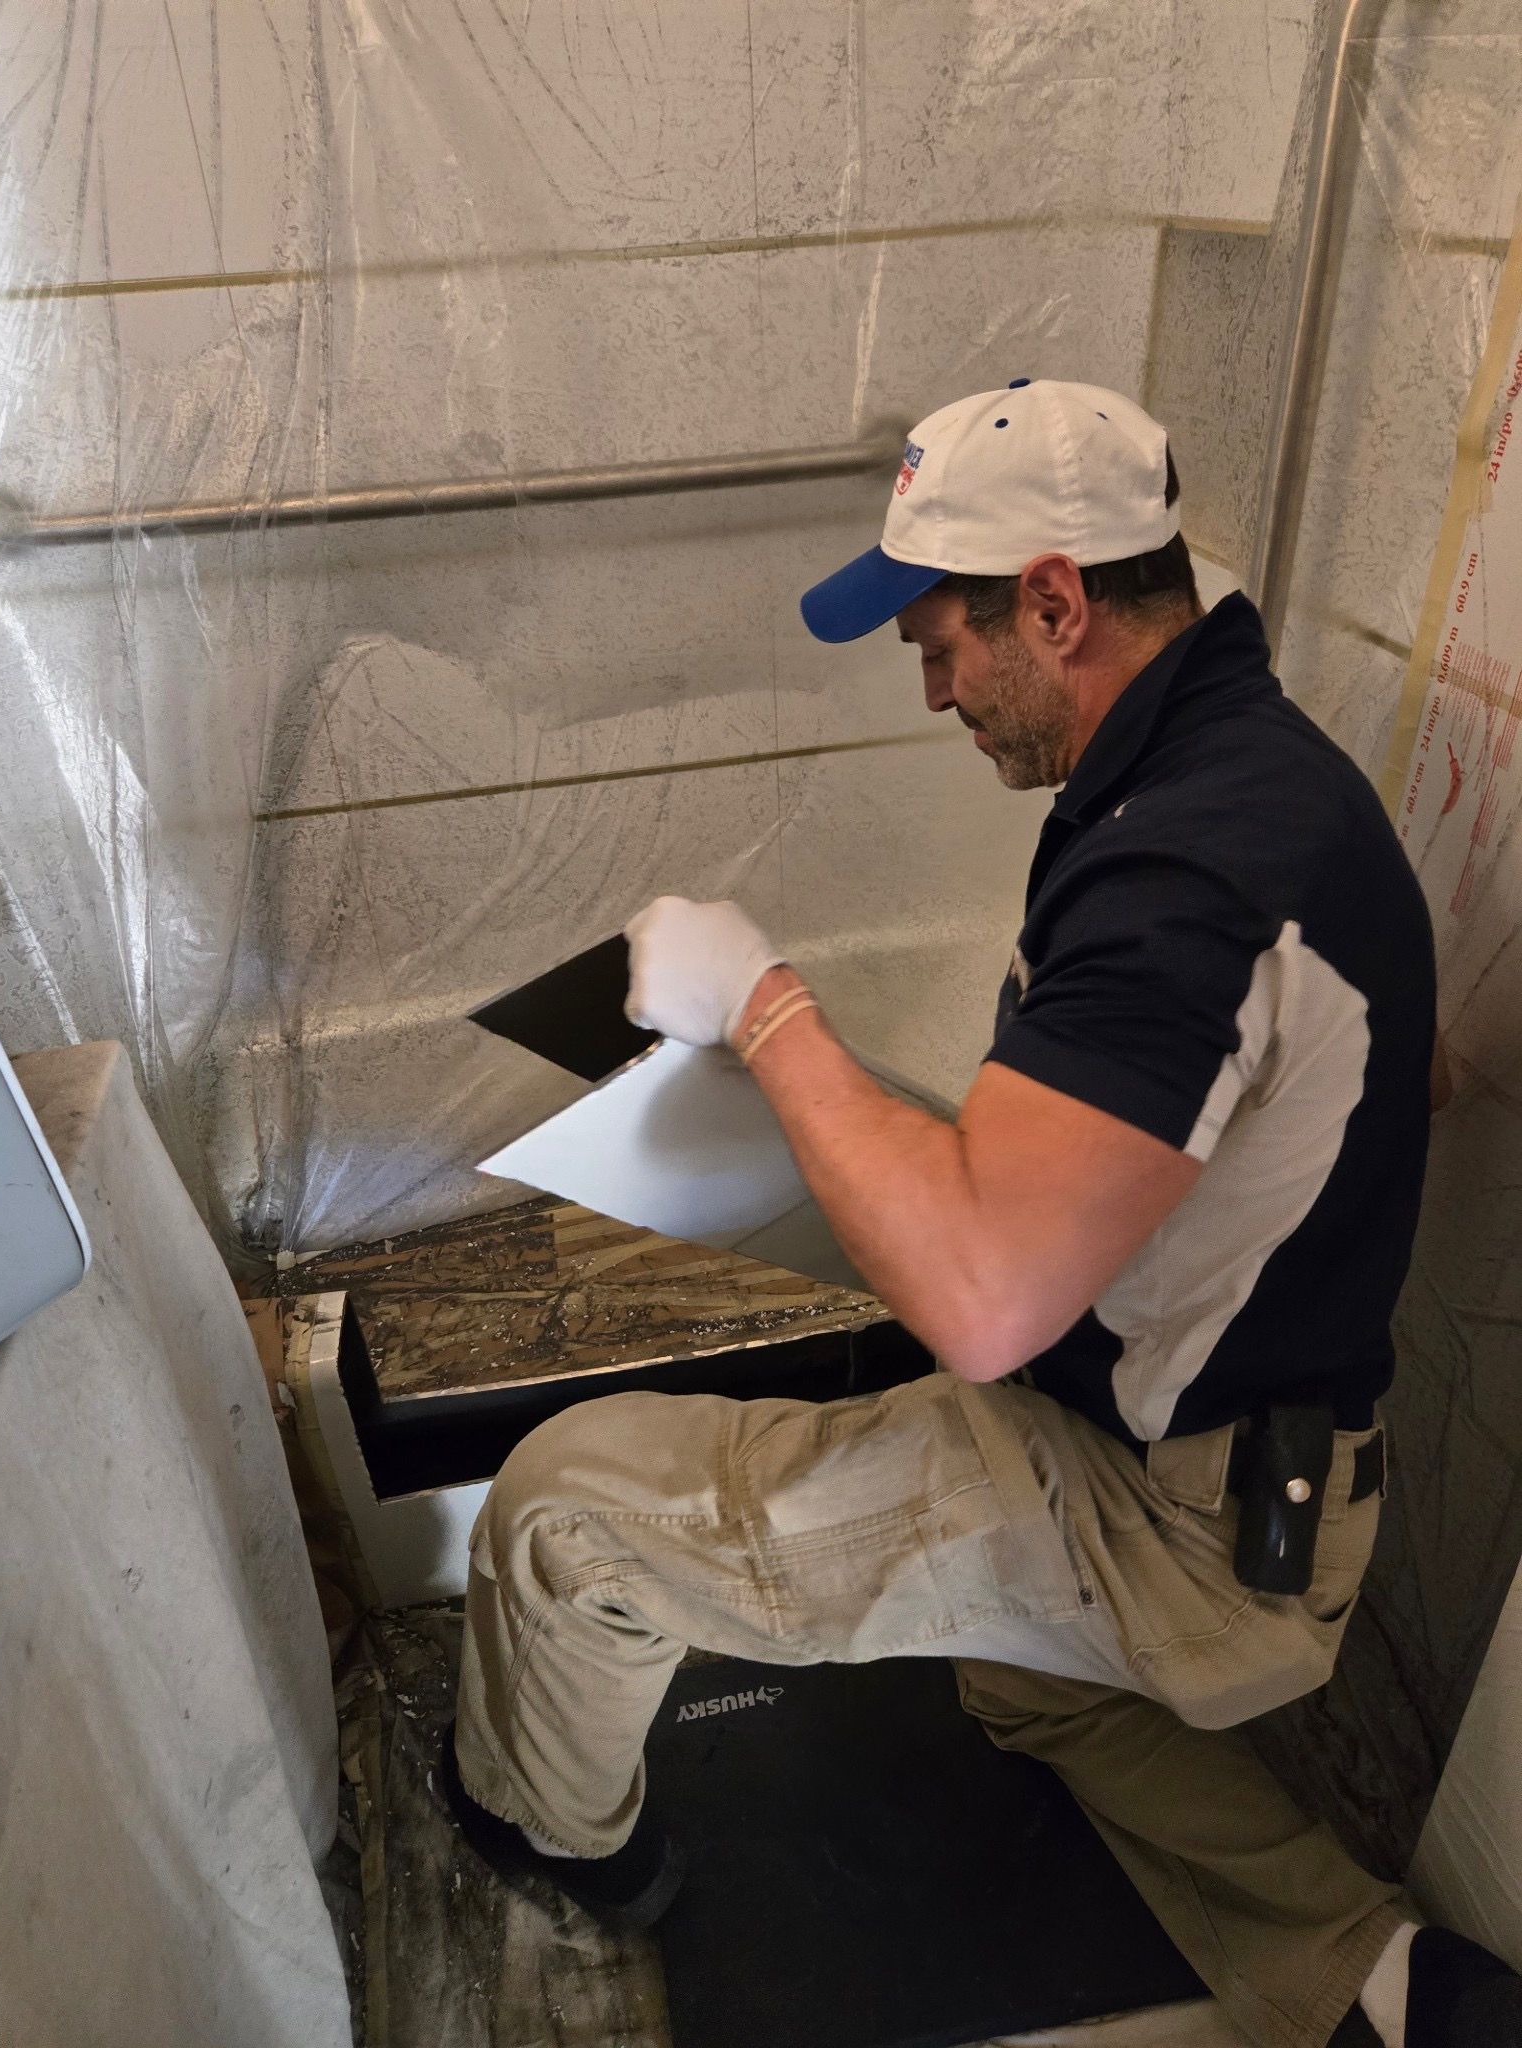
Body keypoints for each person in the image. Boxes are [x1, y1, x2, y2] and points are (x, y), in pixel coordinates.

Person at [442, 382, 1522, 2047]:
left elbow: (982, 1309)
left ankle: (561, 1843)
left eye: (941, 641)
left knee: (563, 1514)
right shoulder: (1256, 782)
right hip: (1271, 1483)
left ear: (1054, 599)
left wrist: (772, 1011)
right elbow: (1392, 1075)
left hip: (1179, 1533)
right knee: (1025, 1684)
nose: (933, 684)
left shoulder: (1186, 868)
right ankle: (1377, 1978)